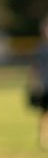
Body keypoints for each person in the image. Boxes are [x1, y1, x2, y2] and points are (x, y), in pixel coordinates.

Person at [29, 16, 48, 149]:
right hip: (45, 85)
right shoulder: (40, 48)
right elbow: (35, 68)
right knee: (44, 114)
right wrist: (33, 83)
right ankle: (42, 140)